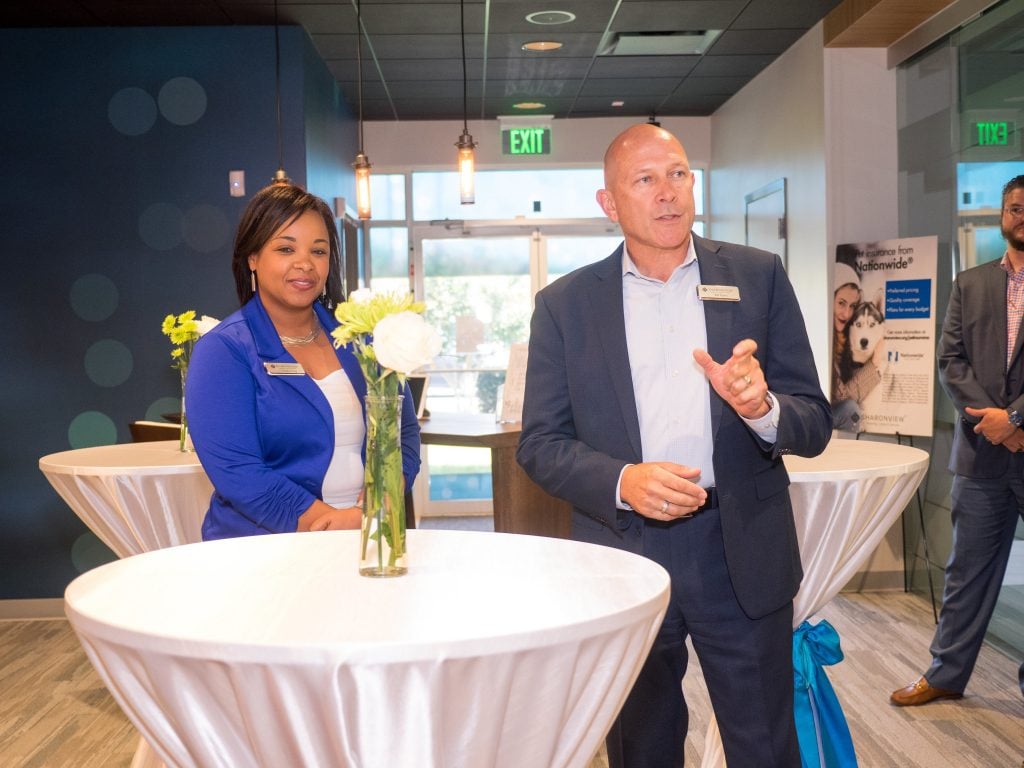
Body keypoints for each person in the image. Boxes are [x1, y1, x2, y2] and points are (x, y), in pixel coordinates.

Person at [516, 124, 832, 767]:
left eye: (679, 174)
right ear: (610, 203)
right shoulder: (564, 305)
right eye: (645, 179)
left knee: (766, 745)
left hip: (739, 545)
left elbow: (815, 421)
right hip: (626, 553)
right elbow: (540, 442)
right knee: (641, 746)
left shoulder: (757, 277)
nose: (668, 194)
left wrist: (763, 408)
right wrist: (622, 481)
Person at [186, 184, 421, 539]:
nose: (305, 264)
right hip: (264, 551)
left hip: (367, 537)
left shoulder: (363, 341)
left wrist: (377, 505)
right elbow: (239, 470)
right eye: (285, 248)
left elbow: (403, 434)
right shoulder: (223, 350)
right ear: (252, 257)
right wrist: (330, 522)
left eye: (319, 251)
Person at [890, 175, 1024, 707]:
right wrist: (996, 424)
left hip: (1010, 436)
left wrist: (1014, 419)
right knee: (965, 573)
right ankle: (946, 673)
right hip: (982, 453)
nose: (1022, 216)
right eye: (1015, 208)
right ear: (1002, 215)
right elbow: (951, 362)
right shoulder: (969, 284)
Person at [830, 260, 884, 432]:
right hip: (811, 412)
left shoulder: (844, 338)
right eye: (841, 303)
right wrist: (874, 364)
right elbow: (844, 396)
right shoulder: (824, 338)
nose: (846, 313)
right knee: (850, 410)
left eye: (852, 306)